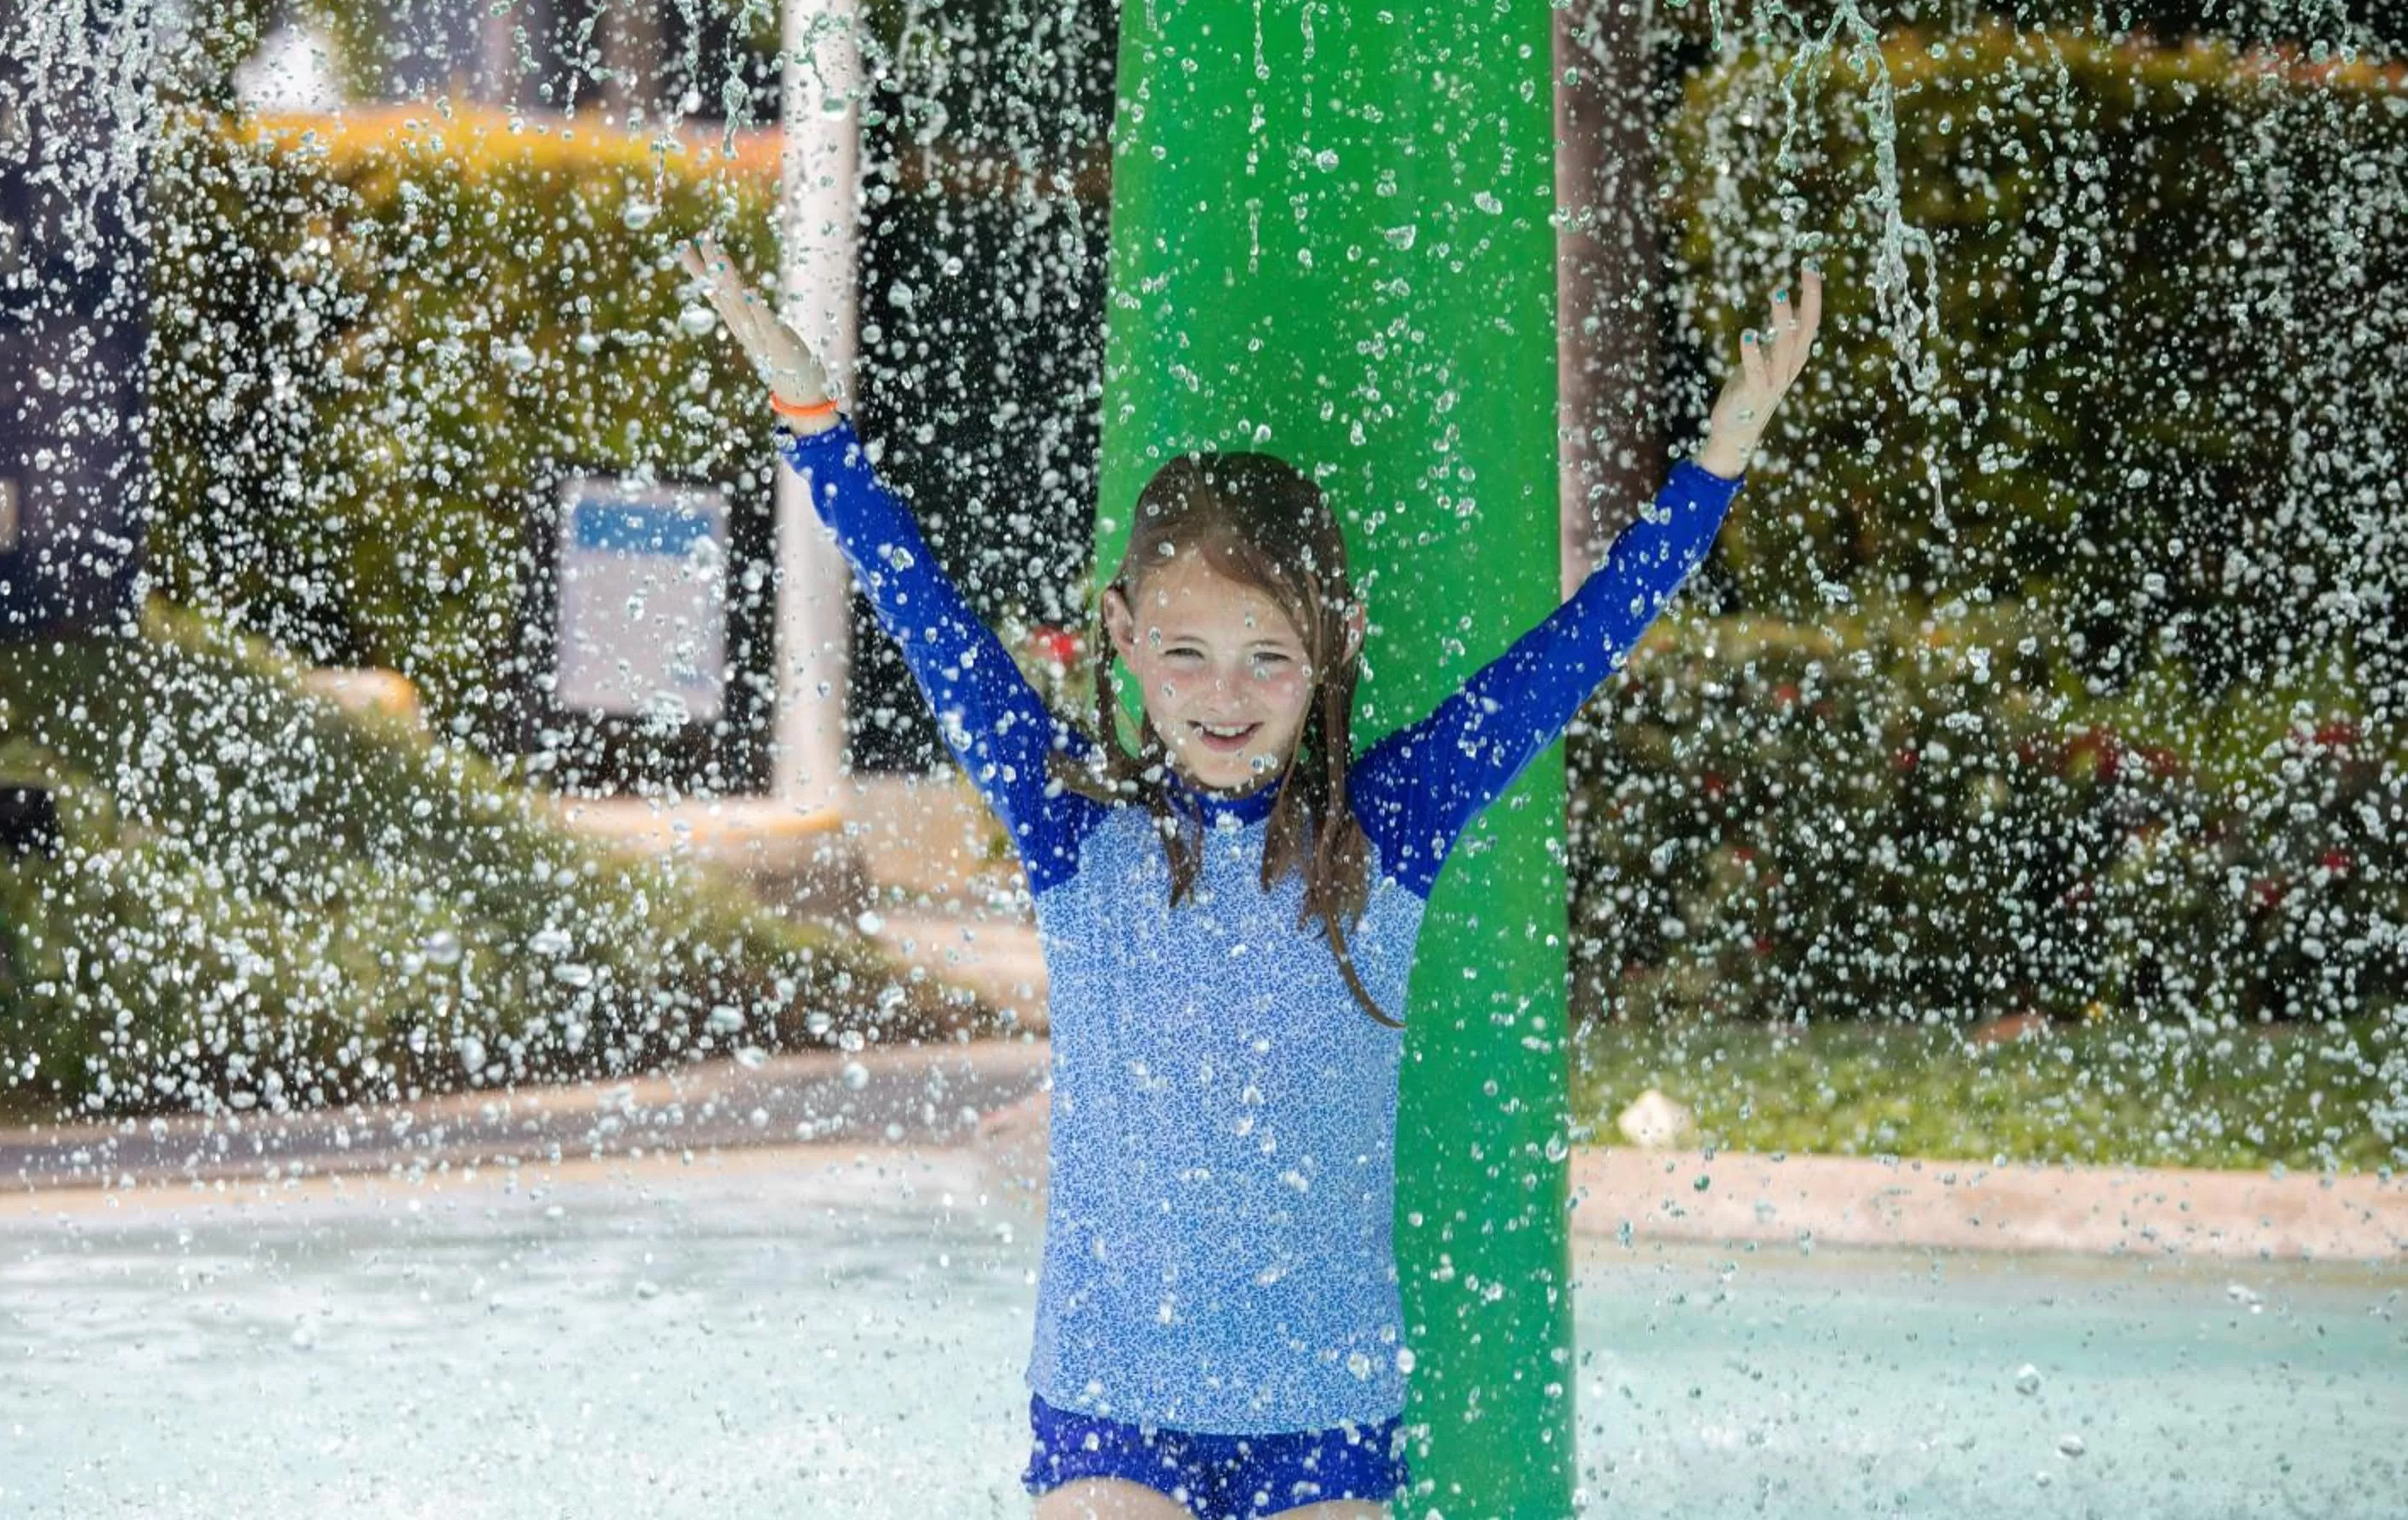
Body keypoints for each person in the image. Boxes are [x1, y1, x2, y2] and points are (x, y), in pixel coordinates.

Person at [683, 231, 1822, 1519]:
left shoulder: (1389, 820)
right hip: (1113, 1394)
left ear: (1337, 646)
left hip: (1323, 1407)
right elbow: (917, 602)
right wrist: (810, 417)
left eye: (1269, 658)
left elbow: (1581, 643)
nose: (1224, 698)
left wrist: (1718, 460)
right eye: (1185, 653)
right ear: (1119, 636)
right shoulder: (1069, 820)